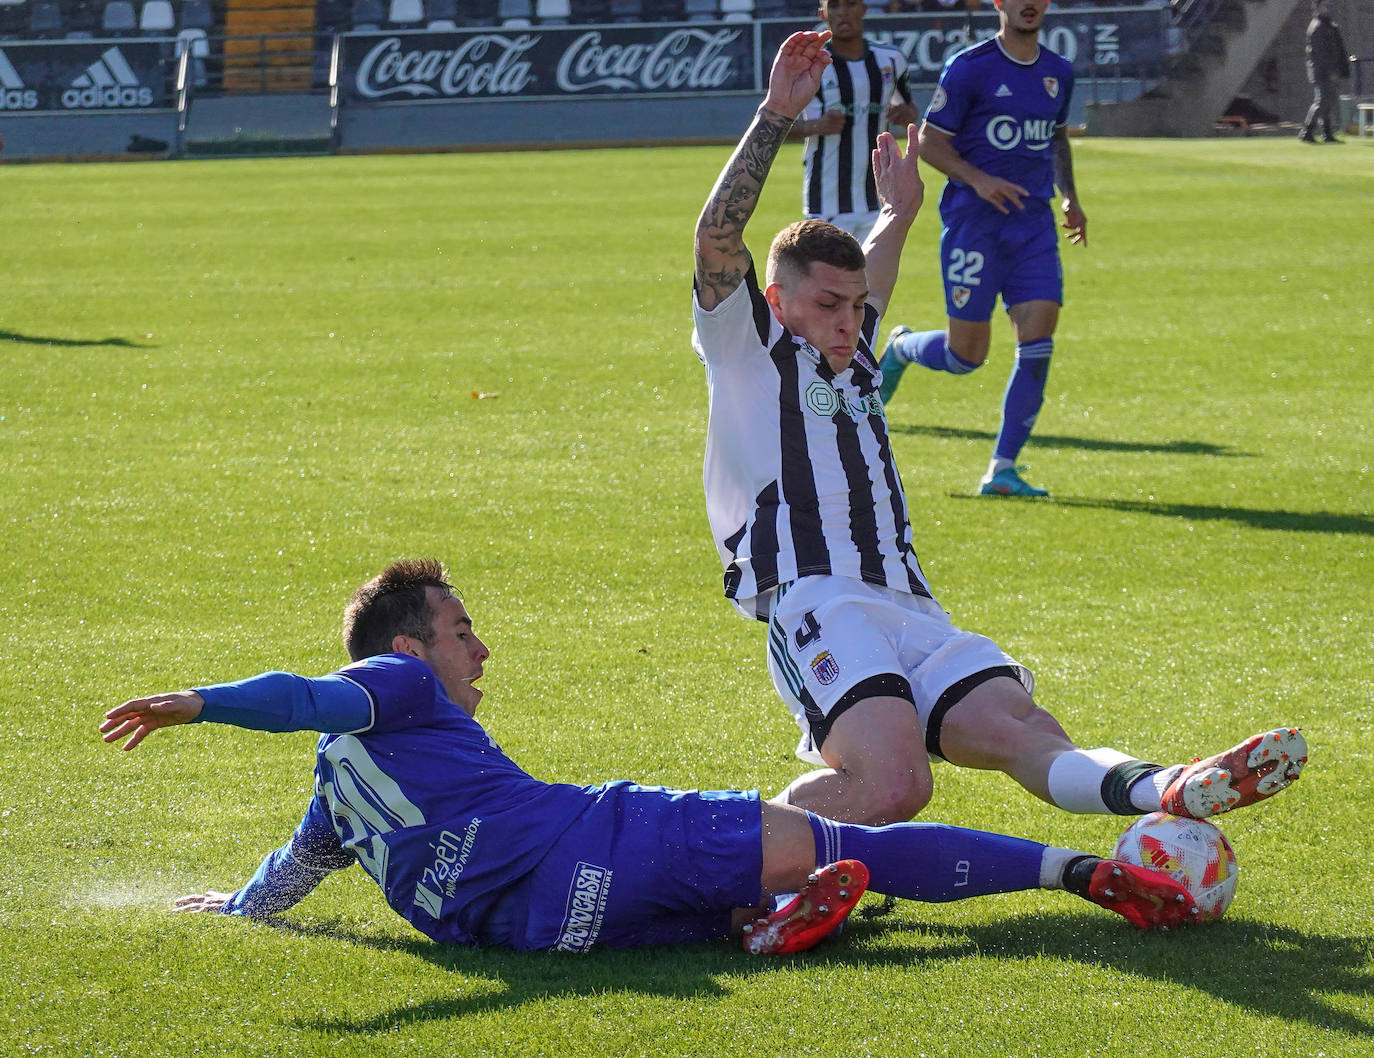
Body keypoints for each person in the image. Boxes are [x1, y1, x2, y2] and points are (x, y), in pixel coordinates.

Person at [690, 31, 1308, 833]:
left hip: (911, 603)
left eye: (855, 307)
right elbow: (716, 241)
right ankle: (725, 867)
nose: (850, 322)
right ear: (777, 303)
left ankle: (1166, 788)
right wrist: (776, 114)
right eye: (828, 307)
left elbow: (874, 262)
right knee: (895, 786)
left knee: (1021, 730)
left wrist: (899, 214)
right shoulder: (747, 350)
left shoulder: (853, 350)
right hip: (818, 596)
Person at [100, 558, 1201, 956]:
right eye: (461, 627)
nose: (479, 646)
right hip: (602, 836)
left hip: (544, 928)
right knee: (831, 836)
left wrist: (240, 909)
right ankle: (1087, 873)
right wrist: (196, 702)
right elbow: (300, 695)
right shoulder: (391, 688)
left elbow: (295, 867)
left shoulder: (340, 794)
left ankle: (763, 927)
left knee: (737, 912)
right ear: (408, 647)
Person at [876, 0, 1083, 498]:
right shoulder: (970, 68)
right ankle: (902, 349)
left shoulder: (1059, 72)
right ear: (1000, 4)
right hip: (974, 225)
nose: (1029, 5)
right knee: (967, 356)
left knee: (1037, 341)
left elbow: (1055, 139)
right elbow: (929, 141)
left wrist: (1070, 196)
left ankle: (1002, 470)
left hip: (1033, 227)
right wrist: (980, 180)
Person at [791, 0, 920, 243]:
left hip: (880, 196)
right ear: (823, 13)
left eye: (850, 4)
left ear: (863, 9)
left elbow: (910, 108)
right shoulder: (809, 64)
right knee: (830, 280)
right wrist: (815, 126)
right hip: (827, 199)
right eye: (835, 6)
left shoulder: (891, 59)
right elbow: (776, 126)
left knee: (875, 280)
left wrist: (906, 114)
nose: (843, 13)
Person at [1299, 0, 1349, 144]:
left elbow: (1336, 50)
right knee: (1323, 101)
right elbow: (1321, 54)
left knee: (1329, 101)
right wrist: (1331, 72)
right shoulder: (1318, 27)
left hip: (1327, 71)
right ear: (1317, 8)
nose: (1328, 8)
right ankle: (1307, 131)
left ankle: (1327, 133)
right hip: (1322, 72)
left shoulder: (1328, 25)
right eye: (1324, 5)